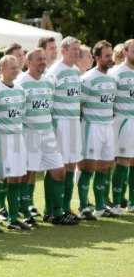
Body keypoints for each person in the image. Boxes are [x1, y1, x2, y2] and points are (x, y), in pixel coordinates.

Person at [16, 48, 78, 225]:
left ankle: (55, 212)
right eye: (39, 59)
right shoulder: (21, 82)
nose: (43, 62)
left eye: (44, 59)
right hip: (30, 134)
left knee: (59, 170)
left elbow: (49, 109)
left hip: (48, 133)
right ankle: (25, 210)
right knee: (28, 174)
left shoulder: (49, 82)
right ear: (29, 62)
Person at [0, 55, 29, 230]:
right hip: (1, 140)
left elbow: (22, 116)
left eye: (17, 67)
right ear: (2, 68)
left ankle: (13, 218)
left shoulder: (20, 90)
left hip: (18, 138)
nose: (16, 70)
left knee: (17, 178)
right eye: (12, 67)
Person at [78, 40, 118, 219]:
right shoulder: (87, 78)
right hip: (91, 126)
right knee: (88, 166)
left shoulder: (112, 78)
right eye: (107, 56)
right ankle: (83, 206)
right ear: (96, 57)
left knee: (105, 166)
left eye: (111, 55)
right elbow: (80, 104)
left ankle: (101, 206)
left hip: (108, 126)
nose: (111, 59)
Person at [45, 36, 82, 220]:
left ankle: (66, 207)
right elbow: (49, 101)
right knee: (56, 165)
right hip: (60, 123)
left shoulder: (76, 71)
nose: (78, 52)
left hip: (74, 122)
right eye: (74, 49)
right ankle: (51, 209)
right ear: (64, 50)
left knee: (71, 164)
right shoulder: (54, 71)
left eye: (79, 49)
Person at [109, 39, 134, 214]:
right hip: (123, 121)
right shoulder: (116, 72)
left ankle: (132, 202)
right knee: (123, 160)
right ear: (125, 52)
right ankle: (117, 203)